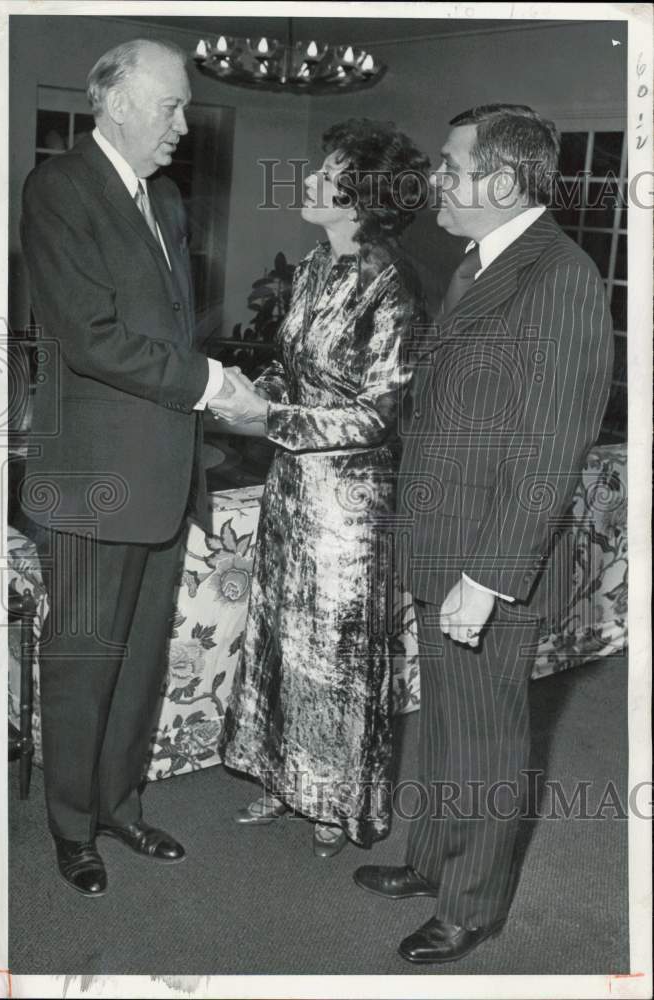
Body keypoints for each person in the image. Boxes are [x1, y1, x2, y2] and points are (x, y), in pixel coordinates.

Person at [353, 105, 614, 962]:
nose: (437, 180)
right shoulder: (480, 259)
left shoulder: (559, 277)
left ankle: (472, 904)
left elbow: (550, 447)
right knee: (446, 719)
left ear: (502, 181)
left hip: (493, 557)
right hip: (446, 537)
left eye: (452, 166)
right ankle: (433, 857)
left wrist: (490, 576)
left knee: (489, 735)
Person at [19, 38, 236, 897]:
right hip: (91, 478)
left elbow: (170, 330)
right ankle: (72, 829)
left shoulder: (168, 198)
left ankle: (120, 804)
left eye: (182, 107)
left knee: (143, 660)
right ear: (113, 102)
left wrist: (204, 389)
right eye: (170, 106)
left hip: (162, 473)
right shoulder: (58, 189)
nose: (184, 125)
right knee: (82, 663)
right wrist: (213, 382)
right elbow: (92, 338)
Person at [212, 119, 429, 857]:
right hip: (291, 491)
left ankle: (336, 802)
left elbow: (375, 414)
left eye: (327, 172)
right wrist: (247, 393)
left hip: (349, 506)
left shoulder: (392, 286)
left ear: (361, 197)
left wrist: (270, 415)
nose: (309, 181)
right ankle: (282, 777)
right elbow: (296, 373)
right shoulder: (311, 265)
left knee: (335, 655)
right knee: (280, 636)